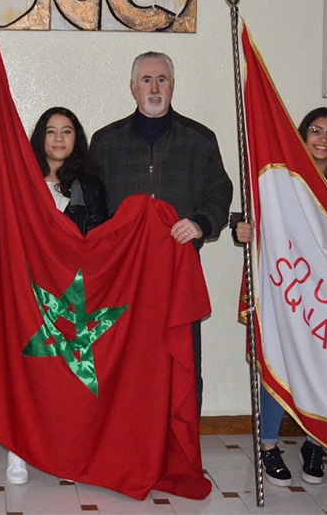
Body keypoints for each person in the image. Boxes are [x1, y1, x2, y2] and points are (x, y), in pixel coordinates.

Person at [0, 106, 109, 484]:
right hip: (28, 296)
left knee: (65, 381)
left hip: (73, 295)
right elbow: (0, 233)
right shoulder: (18, 182)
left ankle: (69, 447)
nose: (59, 138)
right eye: (51, 131)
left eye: (67, 131)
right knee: (27, 375)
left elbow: (100, 240)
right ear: (39, 138)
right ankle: (19, 450)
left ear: (77, 139)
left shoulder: (91, 187)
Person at [89, 51, 233, 411]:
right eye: (147, 80)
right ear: (133, 88)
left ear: (172, 85)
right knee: (124, 365)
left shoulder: (200, 139)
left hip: (177, 273)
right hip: (123, 277)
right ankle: (126, 446)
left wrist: (201, 223)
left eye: (162, 79)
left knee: (180, 363)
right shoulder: (105, 142)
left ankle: (181, 449)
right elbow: (90, 204)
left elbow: (220, 191)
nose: (155, 88)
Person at [234, 107, 327, 487]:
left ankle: (314, 443)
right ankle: (269, 445)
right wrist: (240, 226)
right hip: (284, 288)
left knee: (323, 368)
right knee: (277, 363)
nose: (323, 139)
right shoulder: (280, 178)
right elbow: (251, 214)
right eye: (315, 131)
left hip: (326, 298)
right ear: (301, 136)